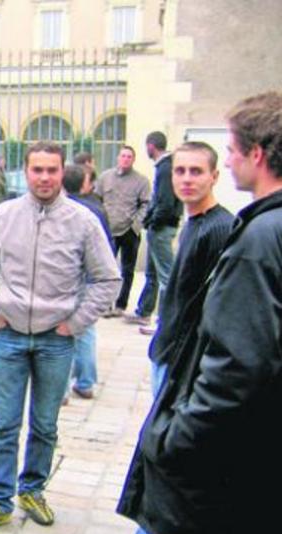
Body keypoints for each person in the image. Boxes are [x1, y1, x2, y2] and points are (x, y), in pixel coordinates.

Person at [117, 91, 282, 534]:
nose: (229, 162)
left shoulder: (255, 236)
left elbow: (239, 364)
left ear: (256, 153)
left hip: (206, 466)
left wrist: (175, 437)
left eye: (230, 151)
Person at [0, 141, 120, 534]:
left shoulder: (82, 221)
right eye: (37, 170)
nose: (45, 177)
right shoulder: (4, 215)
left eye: (52, 170)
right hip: (10, 337)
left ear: (61, 171)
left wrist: (76, 322)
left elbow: (107, 278)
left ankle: (32, 488)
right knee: (3, 424)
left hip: (56, 340)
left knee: (45, 424)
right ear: (25, 171)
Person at [61, 164, 113, 401]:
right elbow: (108, 247)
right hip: (92, 277)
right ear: (84, 183)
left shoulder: (61, 210)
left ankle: (60, 389)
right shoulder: (97, 210)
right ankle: (85, 382)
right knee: (86, 329)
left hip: (68, 277)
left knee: (61, 333)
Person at [126, 132, 183, 328]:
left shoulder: (166, 168)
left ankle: (167, 320)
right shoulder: (164, 167)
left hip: (162, 228)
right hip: (158, 227)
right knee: (152, 274)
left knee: (166, 276)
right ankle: (144, 312)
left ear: (151, 146)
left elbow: (165, 202)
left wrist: (152, 221)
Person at [94, 146, 151, 316]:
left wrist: (136, 226)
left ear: (133, 160)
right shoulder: (105, 178)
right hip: (108, 231)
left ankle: (120, 305)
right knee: (105, 269)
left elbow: (146, 204)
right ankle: (105, 305)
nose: (125, 159)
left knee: (127, 270)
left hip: (129, 231)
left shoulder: (141, 181)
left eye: (129, 157)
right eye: (123, 156)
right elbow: (97, 200)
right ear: (118, 158)